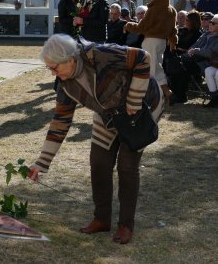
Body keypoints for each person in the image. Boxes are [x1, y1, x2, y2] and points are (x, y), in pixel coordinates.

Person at [29, 34, 164, 245]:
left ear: (71, 59)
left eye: (54, 67)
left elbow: (142, 57)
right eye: (49, 69)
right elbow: (60, 122)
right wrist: (42, 163)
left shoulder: (101, 53)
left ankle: (125, 225)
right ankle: (101, 219)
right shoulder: (65, 84)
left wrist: (134, 101)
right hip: (108, 114)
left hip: (142, 109)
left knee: (127, 166)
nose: (53, 73)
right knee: (99, 162)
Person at [124, 0, 178, 104]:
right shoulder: (171, 9)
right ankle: (165, 93)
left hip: (151, 41)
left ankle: (161, 94)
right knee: (155, 67)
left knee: (152, 69)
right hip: (162, 42)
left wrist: (127, 25)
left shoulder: (154, 9)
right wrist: (173, 42)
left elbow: (142, 27)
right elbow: (173, 30)